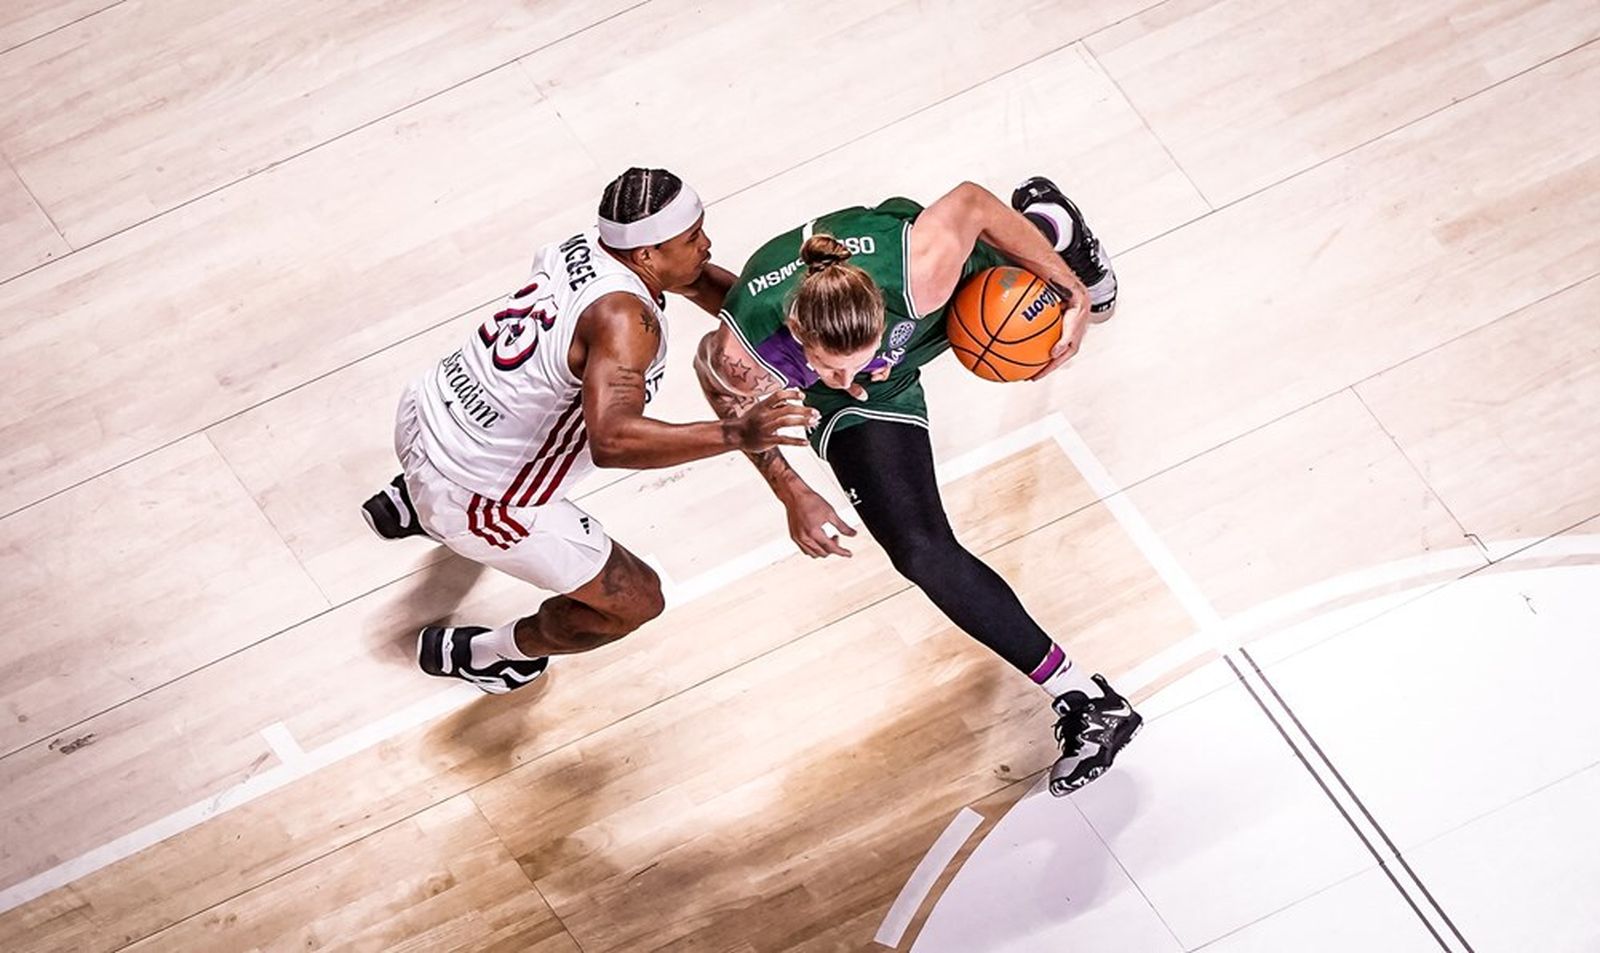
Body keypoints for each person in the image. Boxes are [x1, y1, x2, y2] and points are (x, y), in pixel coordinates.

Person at [694, 176, 1138, 795]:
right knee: (920, 551)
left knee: (1015, 315)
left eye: (855, 360)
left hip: (930, 310)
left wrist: (1071, 289)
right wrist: (790, 489)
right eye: (827, 366)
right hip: (862, 382)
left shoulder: (918, 272)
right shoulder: (747, 354)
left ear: (881, 320)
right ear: (797, 333)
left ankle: (1051, 231)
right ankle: (1090, 701)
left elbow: (971, 202)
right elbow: (722, 394)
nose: (845, 377)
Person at [361, 167, 814, 694]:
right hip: (474, 492)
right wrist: (737, 433)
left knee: (489, 441)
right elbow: (614, 440)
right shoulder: (624, 321)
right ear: (647, 255)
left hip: (425, 409)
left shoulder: (587, 246)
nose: (706, 245)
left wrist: (806, 342)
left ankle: (411, 500)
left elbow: (700, 281)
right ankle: (491, 656)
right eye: (692, 237)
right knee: (635, 601)